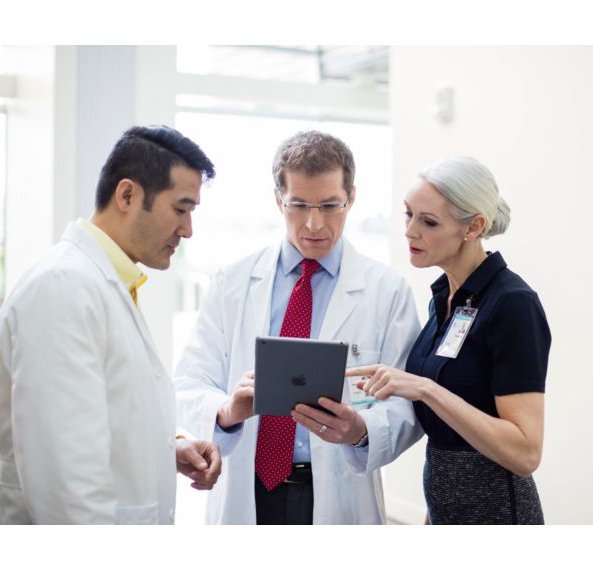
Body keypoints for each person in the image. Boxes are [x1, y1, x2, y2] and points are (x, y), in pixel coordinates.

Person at [174, 130, 422, 524]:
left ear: (351, 198)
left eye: (330, 205)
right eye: (299, 205)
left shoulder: (386, 292)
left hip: (340, 493)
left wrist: (360, 430)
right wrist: (226, 410)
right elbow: (189, 381)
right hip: (248, 489)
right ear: (278, 199)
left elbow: (408, 402)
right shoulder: (233, 283)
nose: (314, 223)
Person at [0, 125, 222, 524]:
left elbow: (105, 414)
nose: (187, 230)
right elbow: (68, 483)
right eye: (182, 209)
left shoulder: (105, 282)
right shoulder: (63, 288)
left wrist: (168, 447)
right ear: (128, 195)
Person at [347, 156, 551, 524]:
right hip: (445, 508)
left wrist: (427, 390)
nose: (410, 231)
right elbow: (449, 436)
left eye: (428, 222)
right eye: (408, 214)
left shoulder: (512, 304)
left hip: (497, 515)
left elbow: (525, 453)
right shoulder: (446, 299)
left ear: (473, 227)